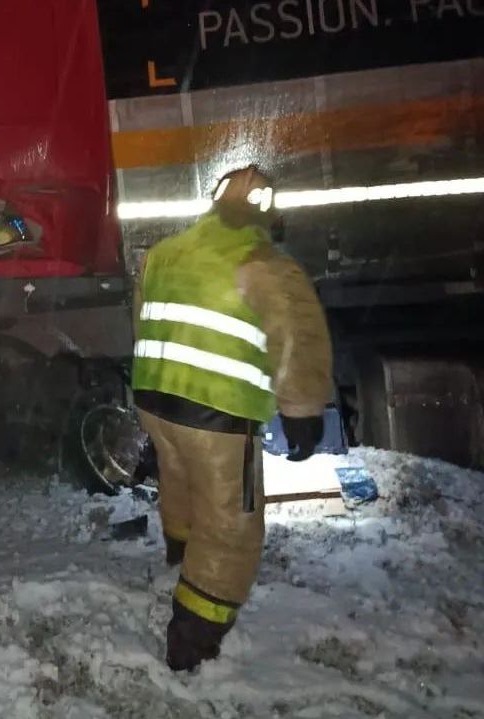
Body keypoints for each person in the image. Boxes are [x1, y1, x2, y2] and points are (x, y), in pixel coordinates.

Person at [131, 165, 333, 671]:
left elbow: (143, 320)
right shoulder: (265, 264)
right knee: (230, 525)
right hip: (217, 418)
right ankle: (193, 639)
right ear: (269, 215)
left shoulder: (163, 254)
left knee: (180, 484)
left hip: (155, 402)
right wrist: (303, 413)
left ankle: (178, 561)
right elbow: (296, 340)